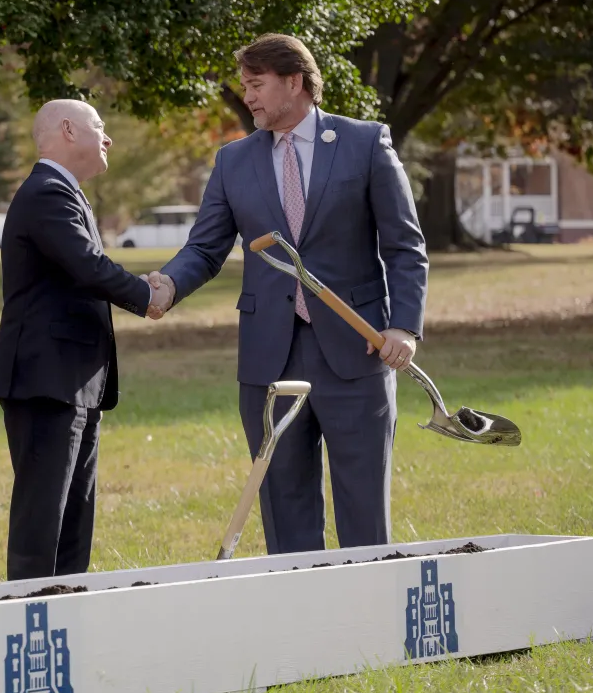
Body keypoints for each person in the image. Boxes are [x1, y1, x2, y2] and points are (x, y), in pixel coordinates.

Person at [147, 34, 428, 555]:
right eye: (245, 86)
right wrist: (168, 284)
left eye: (257, 85)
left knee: (363, 510)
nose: (247, 97)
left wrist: (404, 326)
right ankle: (305, 625)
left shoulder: (365, 143)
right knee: (284, 503)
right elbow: (204, 249)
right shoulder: (233, 161)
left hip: (357, 351)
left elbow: (404, 245)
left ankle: (369, 624)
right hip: (269, 358)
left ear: (294, 81)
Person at [0, 99, 173, 581]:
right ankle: (31, 621)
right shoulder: (47, 192)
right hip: (46, 381)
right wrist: (146, 295)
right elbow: (88, 266)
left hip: (74, 382)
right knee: (43, 520)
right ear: (68, 130)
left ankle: (69, 616)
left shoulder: (61, 192)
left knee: (74, 516)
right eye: (100, 126)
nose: (108, 137)